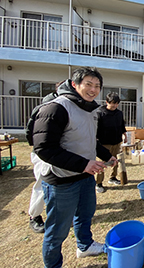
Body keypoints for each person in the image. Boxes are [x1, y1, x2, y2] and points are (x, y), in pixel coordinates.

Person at [32, 67, 117, 268]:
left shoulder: (89, 109)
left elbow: (89, 140)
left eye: (97, 86)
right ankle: (53, 265)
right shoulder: (56, 108)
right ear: (74, 85)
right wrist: (84, 164)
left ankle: (85, 246)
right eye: (88, 84)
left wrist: (107, 156)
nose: (93, 89)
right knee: (57, 229)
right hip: (60, 179)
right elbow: (44, 148)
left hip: (84, 176)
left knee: (85, 215)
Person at [27, 80, 65, 233]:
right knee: (42, 185)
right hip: (44, 153)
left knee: (61, 184)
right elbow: (31, 134)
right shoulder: (45, 107)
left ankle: (59, 212)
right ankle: (34, 216)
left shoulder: (68, 106)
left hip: (62, 152)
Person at [95, 92, 127, 193]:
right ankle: (98, 183)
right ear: (107, 102)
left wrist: (125, 134)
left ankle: (112, 178)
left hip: (117, 141)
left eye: (117, 103)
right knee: (101, 163)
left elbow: (122, 125)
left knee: (116, 161)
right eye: (113, 103)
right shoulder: (100, 113)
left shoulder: (119, 113)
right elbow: (95, 128)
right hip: (104, 143)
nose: (115, 105)